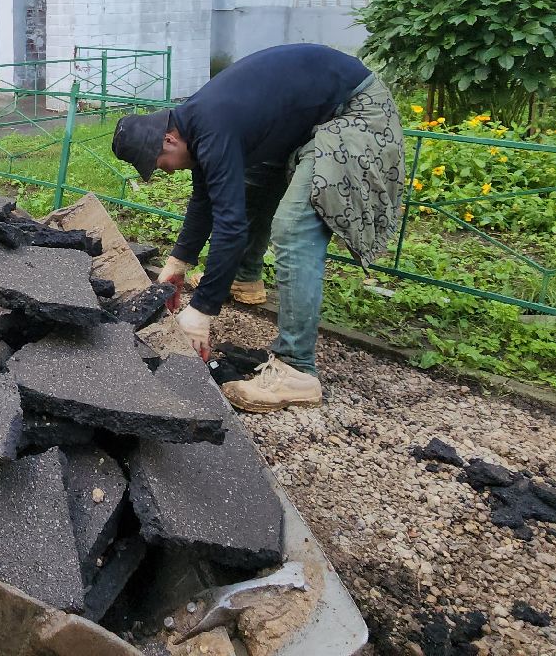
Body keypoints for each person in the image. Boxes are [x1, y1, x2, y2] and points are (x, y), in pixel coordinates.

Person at [111, 44, 404, 412]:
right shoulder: (196, 122)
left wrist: (201, 312)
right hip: (313, 115)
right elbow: (206, 199)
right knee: (250, 180)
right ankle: (244, 279)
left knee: (293, 228)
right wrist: (178, 262)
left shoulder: (213, 125)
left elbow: (230, 227)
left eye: (160, 164)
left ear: (169, 139)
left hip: (354, 112)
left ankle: (297, 370)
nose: (166, 171)